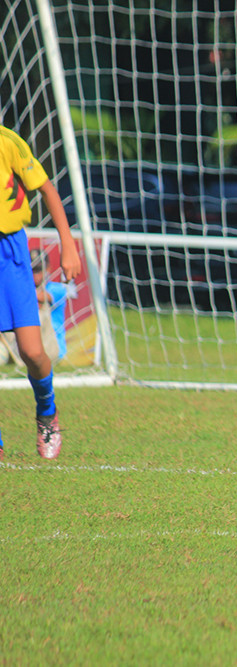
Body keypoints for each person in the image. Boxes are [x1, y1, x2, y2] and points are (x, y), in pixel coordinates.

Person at [0, 124, 81, 460]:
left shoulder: (7, 141)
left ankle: (47, 412)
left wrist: (68, 244)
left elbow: (47, 189)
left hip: (10, 252)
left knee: (32, 352)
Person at [33, 248, 76, 361]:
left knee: (38, 314)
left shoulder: (57, 289)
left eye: (38, 270)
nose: (35, 275)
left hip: (52, 346)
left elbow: (42, 298)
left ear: (47, 269)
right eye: (31, 270)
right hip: (30, 344)